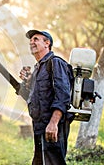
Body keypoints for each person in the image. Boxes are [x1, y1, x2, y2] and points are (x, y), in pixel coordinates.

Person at [19, 30, 72, 165]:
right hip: (39, 125)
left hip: (53, 125)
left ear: (47, 43)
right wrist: (27, 81)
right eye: (30, 41)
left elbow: (63, 95)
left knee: (53, 162)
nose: (32, 42)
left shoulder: (55, 63)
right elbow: (34, 96)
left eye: (36, 39)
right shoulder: (38, 68)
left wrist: (53, 123)